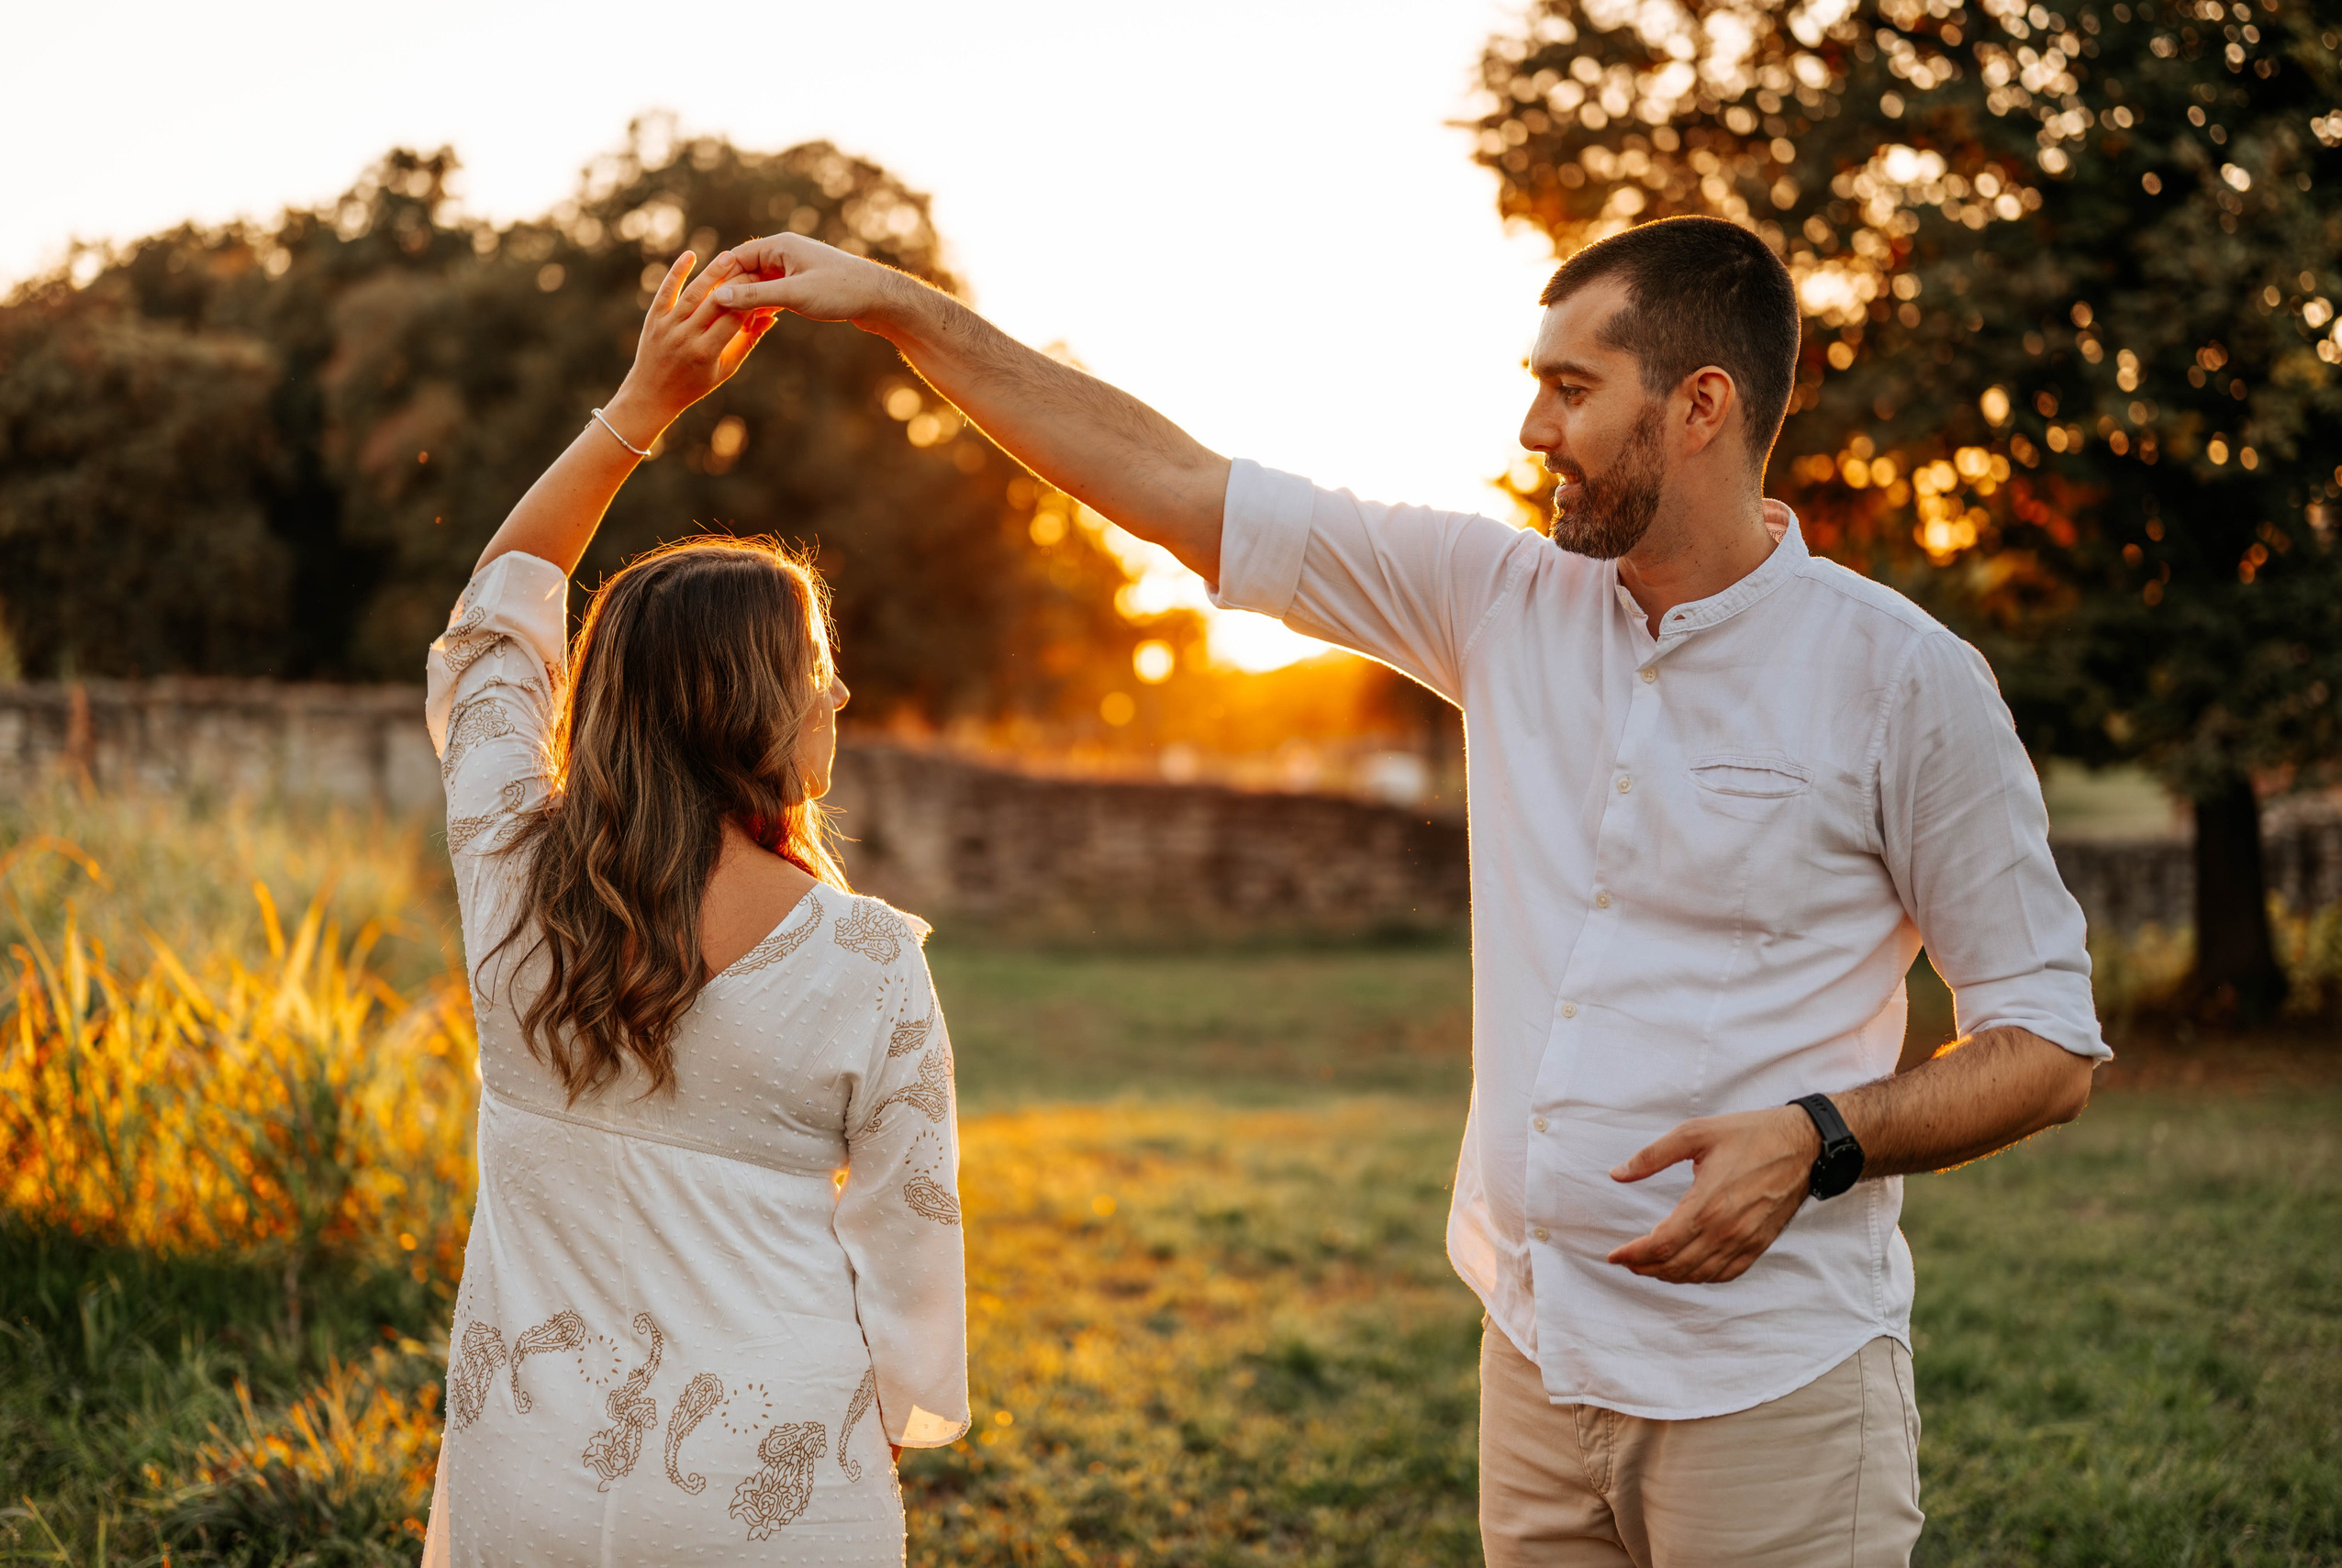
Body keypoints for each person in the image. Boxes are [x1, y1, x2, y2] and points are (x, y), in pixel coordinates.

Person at [711, 215, 2108, 1566]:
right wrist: (901, 308)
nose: (1533, 430)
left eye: (1572, 388)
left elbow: (2046, 1047)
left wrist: (1821, 1135)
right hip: (1535, 1362)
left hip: (1772, 1395)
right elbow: (1180, 487)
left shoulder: (1902, 681)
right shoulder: (1499, 600)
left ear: (1699, 405)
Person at [421, 250, 968, 1568]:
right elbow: (906, 1252)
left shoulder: (512, 871)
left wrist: (638, 405)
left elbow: (498, 615)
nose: (839, 701)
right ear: (750, 705)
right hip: (767, 1478)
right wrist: (876, 1427)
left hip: (528, 1465)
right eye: (819, 674)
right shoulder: (870, 961)